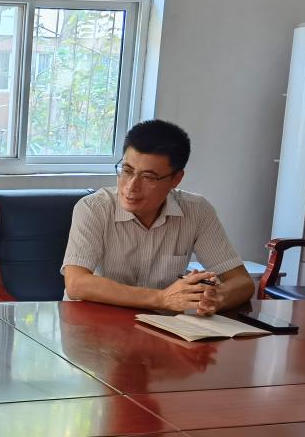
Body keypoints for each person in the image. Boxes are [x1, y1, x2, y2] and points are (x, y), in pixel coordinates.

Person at [62, 119, 254, 314]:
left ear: (176, 179)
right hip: (95, 321)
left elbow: (242, 282)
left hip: (160, 325)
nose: (131, 186)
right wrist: (161, 298)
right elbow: (77, 283)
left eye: (148, 177)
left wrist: (214, 298)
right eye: (127, 171)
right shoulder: (94, 208)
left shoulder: (197, 211)